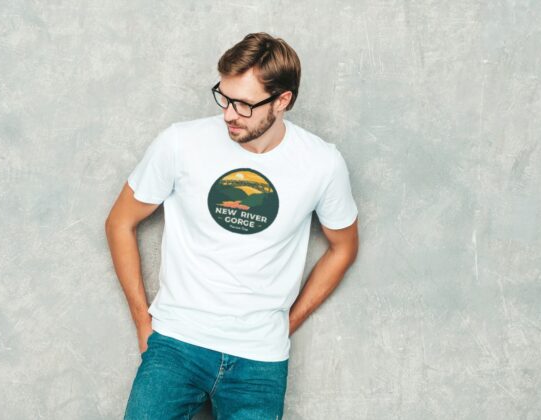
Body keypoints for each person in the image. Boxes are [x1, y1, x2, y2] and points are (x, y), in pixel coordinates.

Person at [105, 32, 359, 420]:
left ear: (282, 100)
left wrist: (286, 323)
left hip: (259, 362)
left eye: (243, 104)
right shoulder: (180, 143)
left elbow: (344, 248)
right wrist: (144, 322)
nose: (228, 113)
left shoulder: (322, 164)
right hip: (176, 345)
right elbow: (120, 222)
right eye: (224, 96)